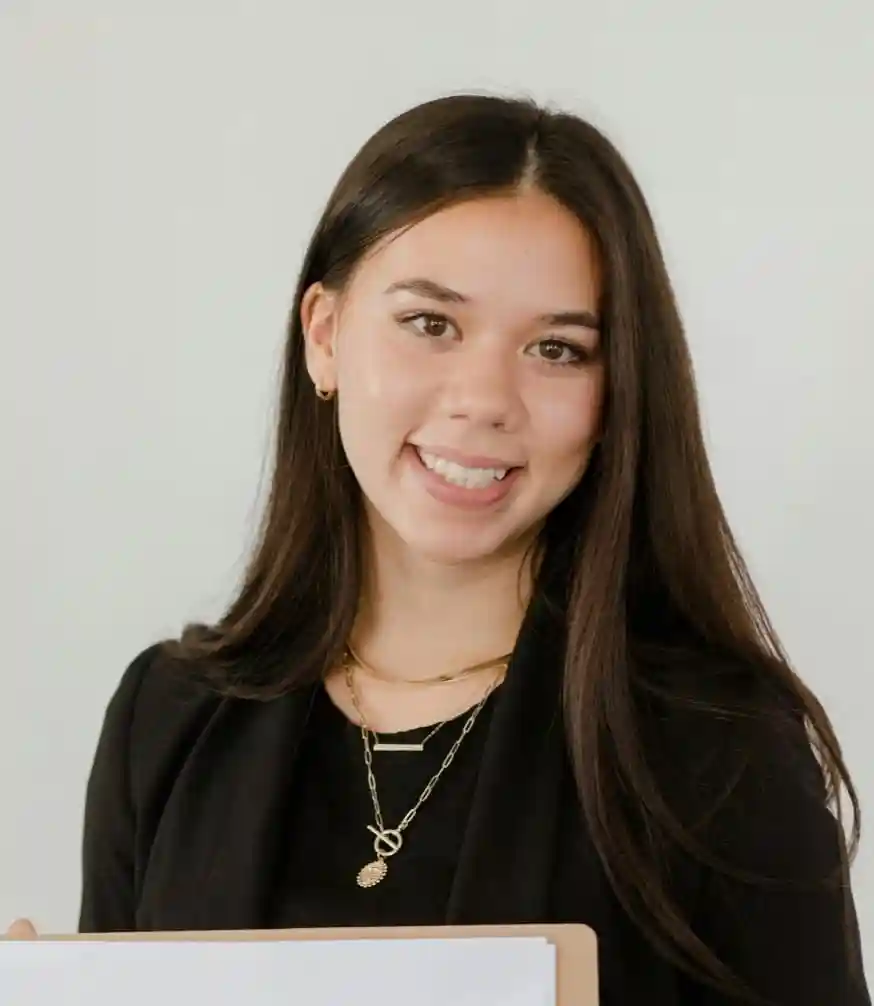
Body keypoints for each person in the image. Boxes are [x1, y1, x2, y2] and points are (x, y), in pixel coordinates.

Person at [5, 93, 869, 1004]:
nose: (484, 398)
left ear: (615, 397)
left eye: (558, 349)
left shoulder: (716, 747)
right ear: (325, 336)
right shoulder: (167, 721)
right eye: (431, 325)